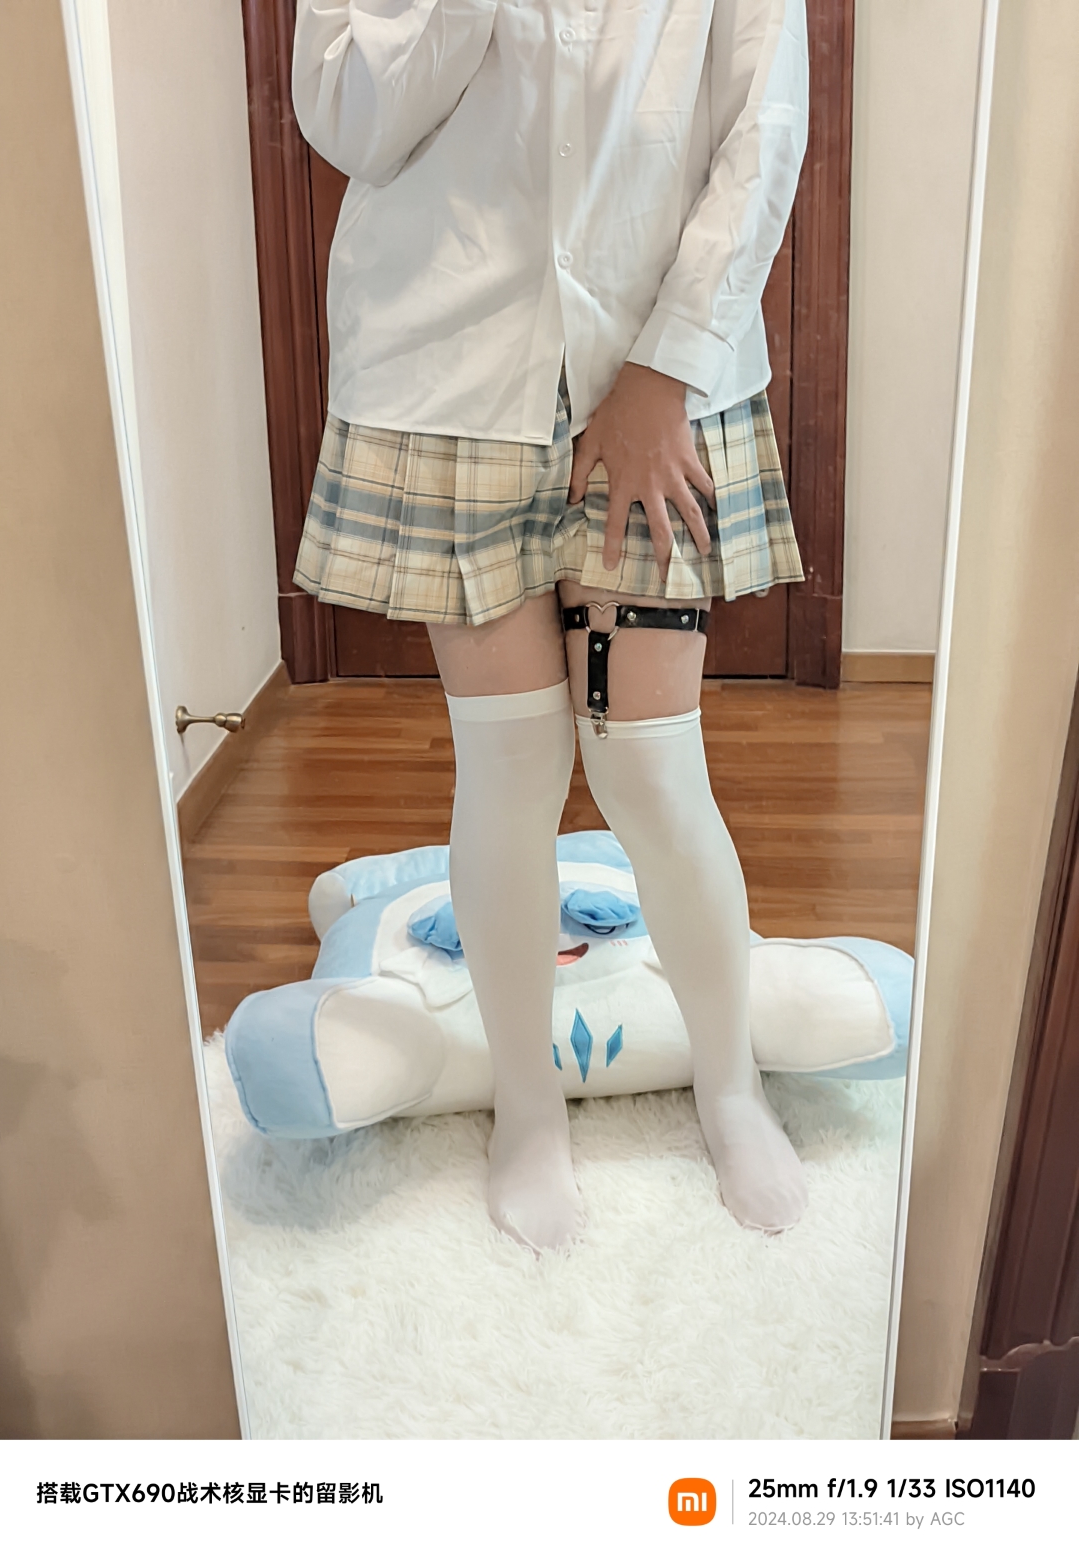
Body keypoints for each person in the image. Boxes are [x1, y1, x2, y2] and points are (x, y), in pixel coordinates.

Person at [292, 0, 811, 1252]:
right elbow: (348, 121)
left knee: (650, 768)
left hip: (661, 377)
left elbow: (765, 124)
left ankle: (730, 1083)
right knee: (511, 766)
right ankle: (527, 1106)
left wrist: (665, 370)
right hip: (448, 376)